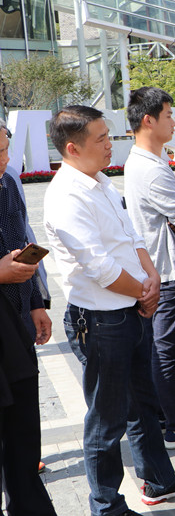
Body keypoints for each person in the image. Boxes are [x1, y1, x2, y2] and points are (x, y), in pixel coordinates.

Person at [44, 106, 175, 513]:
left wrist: (151, 278)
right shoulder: (65, 196)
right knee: (106, 420)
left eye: (108, 136)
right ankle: (106, 504)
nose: (109, 144)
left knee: (143, 404)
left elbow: (132, 237)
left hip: (131, 309)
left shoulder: (99, 181)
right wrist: (143, 292)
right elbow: (99, 267)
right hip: (102, 321)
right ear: (73, 148)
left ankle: (159, 479)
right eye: (101, 139)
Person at [124, 87, 175, 448]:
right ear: (149, 120)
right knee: (167, 351)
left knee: (162, 349)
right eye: (169, 115)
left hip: (162, 267)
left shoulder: (146, 161)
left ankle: (162, 415)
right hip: (169, 271)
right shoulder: (151, 169)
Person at [0, 118, 57, 516]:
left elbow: (21, 242)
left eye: (5, 150)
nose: (4, 160)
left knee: (22, 437)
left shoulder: (8, 184)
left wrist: (36, 302)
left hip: (16, 327)